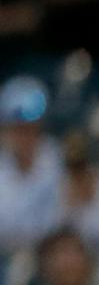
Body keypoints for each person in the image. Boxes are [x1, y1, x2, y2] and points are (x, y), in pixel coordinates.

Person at [0, 76, 60, 253]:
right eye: (17, 128)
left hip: (51, 255)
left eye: (30, 127)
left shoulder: (60, 159)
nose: (24, 136)